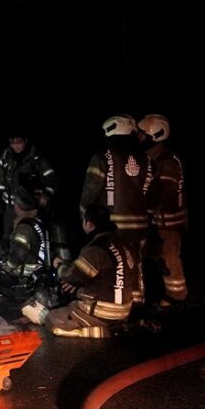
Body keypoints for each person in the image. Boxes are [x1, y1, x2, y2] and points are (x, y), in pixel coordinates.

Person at [34, 204, 137, 339]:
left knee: (52, 320)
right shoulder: (122, 244)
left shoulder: (96, 249)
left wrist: (59, 266)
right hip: (124, 309)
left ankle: (105, 332)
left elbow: (72, 276)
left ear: (89, 224)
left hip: (102, 312)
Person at [79, 114, 151, 304]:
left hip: (112, 226)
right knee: (136, 265)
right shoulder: (145, 158)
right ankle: (137, 304)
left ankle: (117, 306)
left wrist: (86, 219)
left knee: (116, 267)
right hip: (141, 226)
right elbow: (149, 193)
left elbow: (90, 192)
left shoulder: (103, 156)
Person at [138, 114, 188, 305]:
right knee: (158, 259)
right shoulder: (154, 158)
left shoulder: (166, 161)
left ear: (155, 134)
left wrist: (148, 209)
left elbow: (165, 193)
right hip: (160, 222)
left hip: (168, 223)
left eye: (143, 133)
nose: (140, 137)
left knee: (169, 259)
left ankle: (177, 297)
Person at [0, 130, 60, 256]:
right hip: (11, 207)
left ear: (25, 141)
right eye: (12, 143)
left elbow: (53, 181)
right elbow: (0, 180)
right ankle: (10, 265)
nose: (15, 146)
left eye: (19, 142)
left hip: (32, 208)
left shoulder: (37, 158)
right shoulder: (6, 156)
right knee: (8, 238)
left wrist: (44, 198)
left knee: (32, 238)